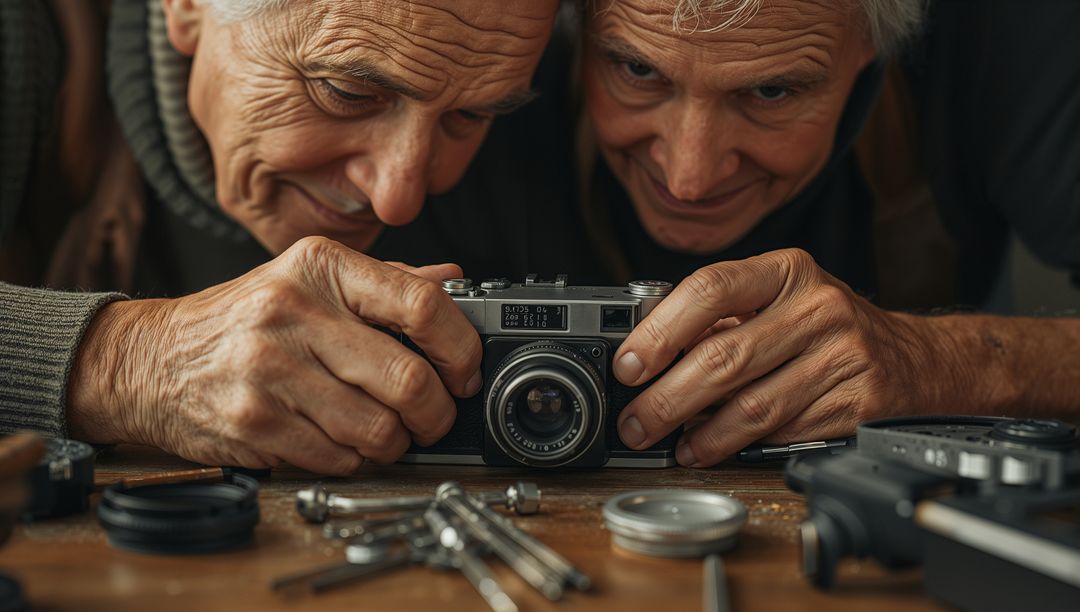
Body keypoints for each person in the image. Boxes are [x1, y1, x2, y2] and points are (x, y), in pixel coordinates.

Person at [0, 0, 564, 474]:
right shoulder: (22, 38)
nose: (399, 199)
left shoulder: (542, 88)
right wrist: (129, 362)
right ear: (188, 7)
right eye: (344, 91)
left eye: (470, 116)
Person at [565, 0, 1080, 467]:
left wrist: (943, 362)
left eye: (771, 91)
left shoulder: (1006, 24)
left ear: (874, 44)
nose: (689, 181)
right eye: (637, 69)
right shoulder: (502, 37)